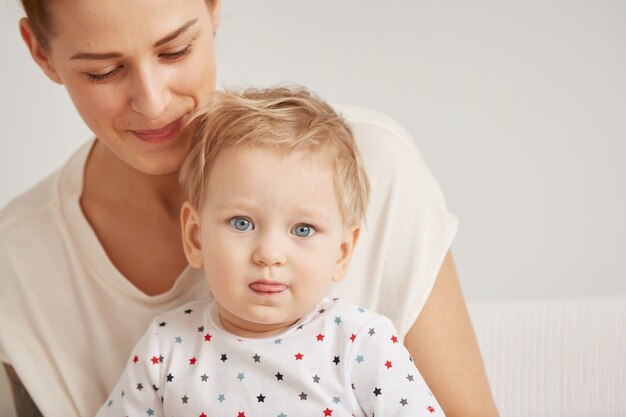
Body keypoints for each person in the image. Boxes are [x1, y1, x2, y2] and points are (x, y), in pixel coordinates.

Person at [0, 0, 499, 416]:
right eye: (103, 71)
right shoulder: (18, 267)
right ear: (40, 53)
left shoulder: (373, 168)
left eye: (176, 49)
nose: (151, 102)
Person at [95, 86, 446, 416]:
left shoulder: (360, 343)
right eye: (242, 223)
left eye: (303, 230)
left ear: (341, 253)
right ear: (196, 237)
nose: (269, 254)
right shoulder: (166, 348)